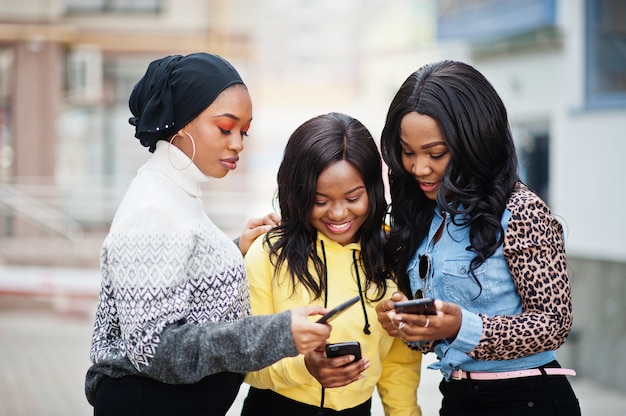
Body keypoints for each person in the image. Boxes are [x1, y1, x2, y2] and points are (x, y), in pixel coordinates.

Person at [84, 53, 332, 416]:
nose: (238, 144)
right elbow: (157, 347)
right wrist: (279, 334)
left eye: (243, 131)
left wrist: (234, 249)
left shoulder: (175, 193)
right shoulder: (153, 210)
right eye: (225, 127)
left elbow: (173, 278)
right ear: (183, 121)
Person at [375, 60, 581, 415]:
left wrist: (462, 325)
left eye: (436, 154)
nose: (420, 168)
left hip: (528, 399)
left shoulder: (521, 211)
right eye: (408, 153)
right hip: (457, 397)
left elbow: (554, 324)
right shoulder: (424, 214)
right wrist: (409, 325)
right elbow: (435, 339)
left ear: (475, 141)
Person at [241, 113, 423, 416]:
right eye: (320, 200)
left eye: (353, 197)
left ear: (373, 189)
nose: (338, 213)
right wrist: (303, 367)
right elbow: (243, 358)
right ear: (297, 193)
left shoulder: (394, 253)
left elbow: (399, 364)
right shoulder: (268, 253)